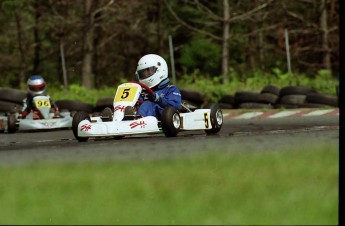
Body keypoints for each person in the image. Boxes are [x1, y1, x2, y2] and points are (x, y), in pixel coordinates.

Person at [133, 54, 182, 119]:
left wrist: (158, 99)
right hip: (144, 115)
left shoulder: (171, 89)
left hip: (163, 117)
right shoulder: (142, 92)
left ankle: (139, 119)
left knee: (147, 104)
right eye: (143, 72)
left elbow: (175, 106)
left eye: (148, 71)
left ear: (160, 70)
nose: (145, 74)